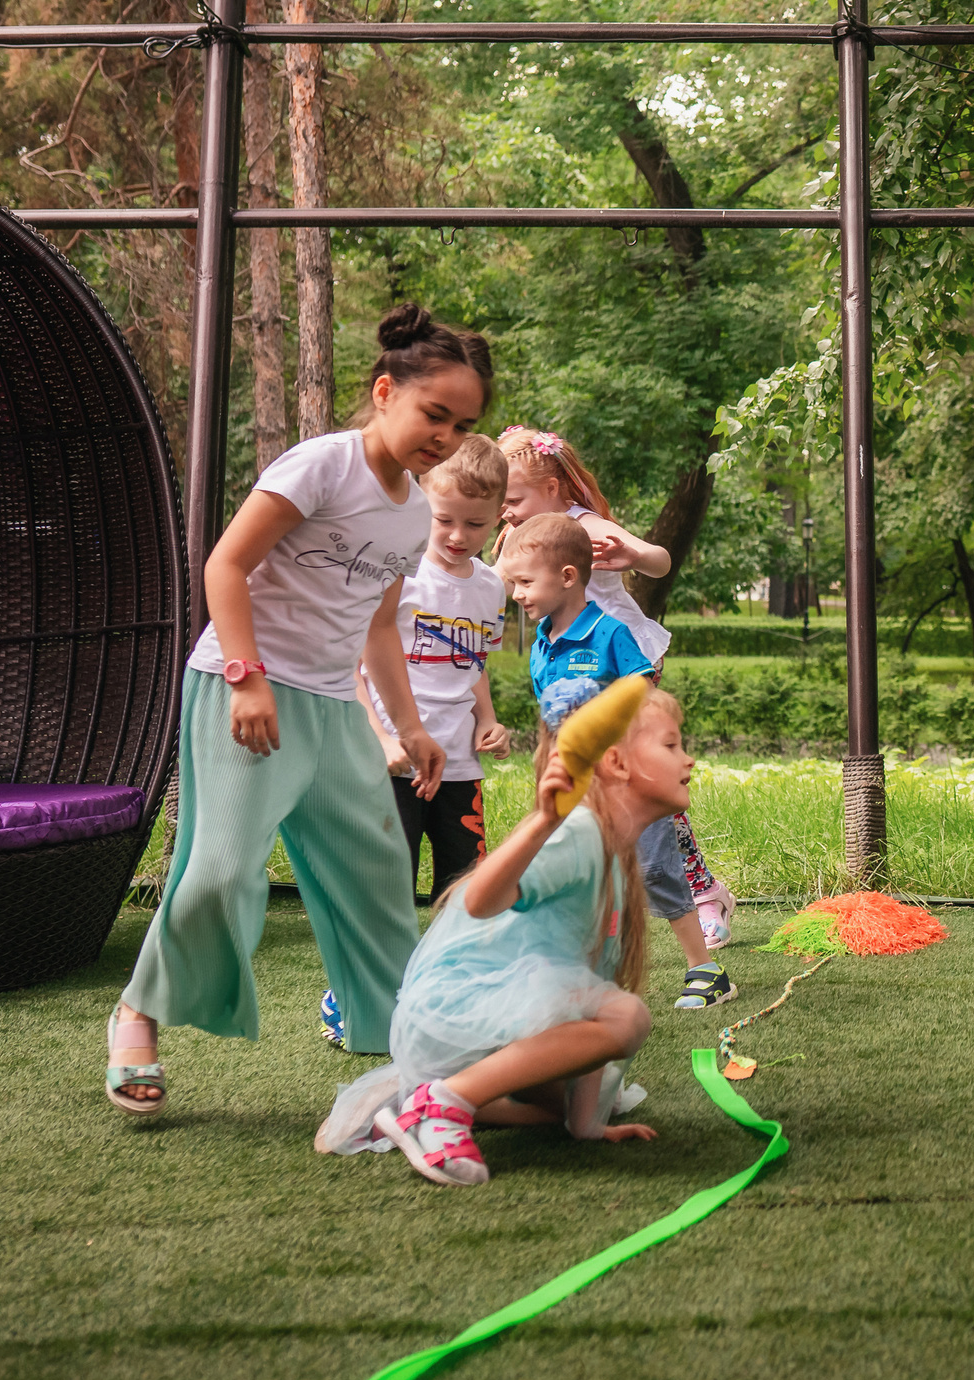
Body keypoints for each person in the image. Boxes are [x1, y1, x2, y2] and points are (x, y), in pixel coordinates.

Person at [104, 304, 488, 1115]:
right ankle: (138, 1009)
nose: (446, 436)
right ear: (385, 391)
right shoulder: (321, 465)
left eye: (462, 425)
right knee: (219, 872)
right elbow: (226, 563)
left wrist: (410, 726)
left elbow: (378, 627)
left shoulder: (413, 512)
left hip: (333, 710)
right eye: (435, 413)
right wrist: (246, 676)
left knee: (377, 875)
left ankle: (404, 1044)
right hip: (245, 691)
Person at [315, 682, 691, 1186]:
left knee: (578, 1090)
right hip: (458, 1016)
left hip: (489, 1023)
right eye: (671, 744)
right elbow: (480, 900)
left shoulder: (615, 859)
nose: (688, 759)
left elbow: (589, 981)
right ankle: (444, 1102)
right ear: (617, 764)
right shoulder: (578, 833)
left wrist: (585, 1125)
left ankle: (424, 1103)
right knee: (627, 1018)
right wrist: (544, 820)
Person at [499, 426, 736, 951]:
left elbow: (660, 558)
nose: (504, 510)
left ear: (553, 488)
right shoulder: (519, 536)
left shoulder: (586, 523)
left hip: (622, 659)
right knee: (597, 794)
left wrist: (633, 557)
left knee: (644, 783)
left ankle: (701, 892)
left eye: (512, 499)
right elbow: (489, 586)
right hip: (568, 662)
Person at [324, 433, 515, 1048]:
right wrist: (382, 738)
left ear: (498, 518)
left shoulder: (491, 587)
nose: (458, 535)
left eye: (475, 524)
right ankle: (351, 996)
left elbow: (473, 660)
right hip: (393, 766)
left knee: (465, 889)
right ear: (423, 502)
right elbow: (355, 664)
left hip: (459, 768)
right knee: (385, 888)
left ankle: (448, 995)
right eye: (444, 519)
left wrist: (487, 720)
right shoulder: (398, 572)